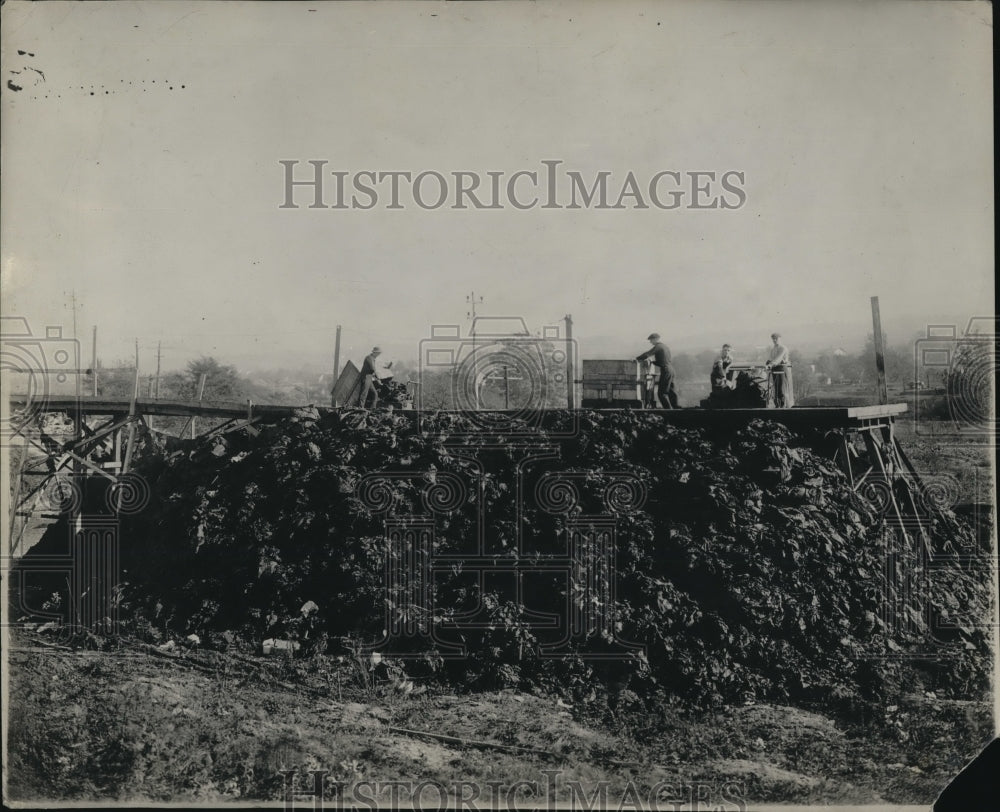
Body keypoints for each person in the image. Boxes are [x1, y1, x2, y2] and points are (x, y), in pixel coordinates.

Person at [636, 333, 679, 408]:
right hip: (671, 370)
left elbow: (647, 354)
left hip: (666, 370)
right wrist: (652, 362)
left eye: (651, 340)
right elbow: (663, 361)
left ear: (656, 339)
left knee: (661, 393)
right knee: (672, 392)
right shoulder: (665, 347)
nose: (650, 342)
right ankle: (676, 408)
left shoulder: (658, 346)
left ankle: (668, 410)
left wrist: (637, 358)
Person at [764, 332, 793, 407]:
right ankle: (777, 405)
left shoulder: (783, 348)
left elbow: (778, 359)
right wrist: (767, 363)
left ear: (780, 339)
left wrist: (770, 365)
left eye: (776, 339)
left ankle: (784, 406)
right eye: (773, 339)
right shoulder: (773, 349)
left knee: (782, 389)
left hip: (782, 369)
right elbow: (770, 358)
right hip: (775, 369)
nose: (774, 340)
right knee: (776, 388)